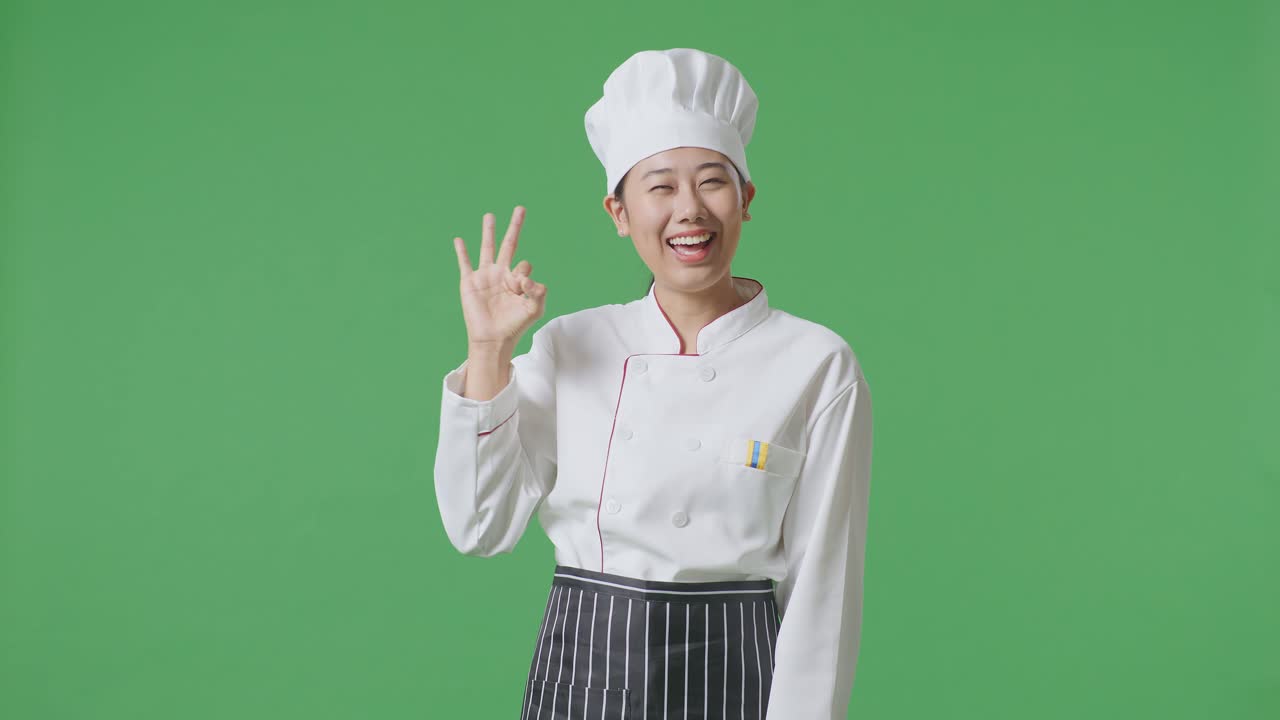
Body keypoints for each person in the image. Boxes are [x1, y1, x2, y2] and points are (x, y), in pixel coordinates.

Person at [434, 48, 873, 720]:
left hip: (737, 682)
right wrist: (490, 349)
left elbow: (825, 587)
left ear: (746, 199)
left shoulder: (815, 362)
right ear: (618, 211)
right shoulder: (571, 345)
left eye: (712, 182)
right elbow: (478, 526)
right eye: (660, 186)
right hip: (584, 676)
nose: (689, 210)